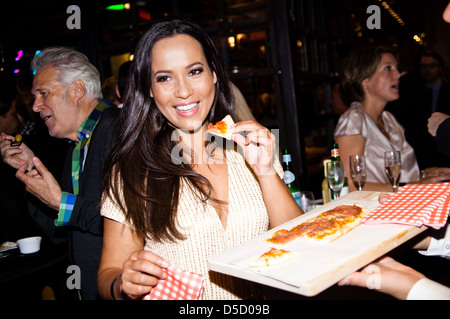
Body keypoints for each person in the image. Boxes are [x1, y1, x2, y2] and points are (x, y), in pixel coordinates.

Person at [97, 19, 303, 300]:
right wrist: (123, 284)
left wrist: (266, 171)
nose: (184, 91)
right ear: (148, 87)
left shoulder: (250, 148)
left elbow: (300, 243)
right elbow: (108, 273)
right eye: (164, 78)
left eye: (194, 71)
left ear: (214, 74)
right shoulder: (131, 170)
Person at [0, 47, 120, 300]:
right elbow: (63, 234)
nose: (35, 106)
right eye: (34, 97)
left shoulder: (117, 131)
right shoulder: (77, 147)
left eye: (43, 93)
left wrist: (60, 202)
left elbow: (129, 224)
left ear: (77, 90)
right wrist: (29, 168)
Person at [334, 45, 450, 192]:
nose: (398, 74)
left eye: (397, 68)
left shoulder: (388, 119)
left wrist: (426, 174)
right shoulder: (353, 120)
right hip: (375, 211)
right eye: (388, 69)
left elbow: (394, 178)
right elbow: (350, 185)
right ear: (365, 79)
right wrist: (414, 187)